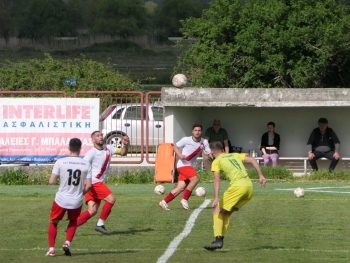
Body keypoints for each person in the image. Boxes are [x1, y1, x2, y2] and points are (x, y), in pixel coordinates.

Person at [204, 141, 266, 251]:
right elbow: (252, 160)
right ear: (223, 150)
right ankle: (219, 240)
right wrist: (261, 176)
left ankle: (218, 239)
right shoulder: (234, 154)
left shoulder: (217, 161)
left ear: (213, 152)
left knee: (217, 211)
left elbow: (216, 179)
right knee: (226, 212)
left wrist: (216, 197)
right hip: (249, 187)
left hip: (237, 187)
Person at [76, 131, 129, 235]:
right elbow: (82, 166)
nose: (100, 137)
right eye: (97, 136)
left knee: (92, 211)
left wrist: (125, 145)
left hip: (93, 183)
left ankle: (71, 227)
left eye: (101, 135)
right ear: (93, 140)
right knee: (111, 199)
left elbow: (123, 152)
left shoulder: (109, 148)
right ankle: (100, 224)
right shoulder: (91, 152)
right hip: (93, 182)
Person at [46, 138, 92, 257]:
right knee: (73, 222)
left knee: (54, 222)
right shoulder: (86, 164)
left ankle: (51, 249)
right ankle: (67, 243)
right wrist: (81, 193)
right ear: (80, 148)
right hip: (76, 200)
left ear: (69, 147)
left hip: (61, 199)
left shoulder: (61, 162)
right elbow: (89, 185)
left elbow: (51, 181)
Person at [159, 123, 212, 210]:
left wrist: (211, 155)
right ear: (192, 131)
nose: (197, 132)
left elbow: (208, 152)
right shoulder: (186, 140)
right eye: (195, 130)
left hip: (189, 166)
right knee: (195, 179)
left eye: (199, 130)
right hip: (182, 165)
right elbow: (174, 146)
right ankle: (185, 199)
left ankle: (164, 202)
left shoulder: (204, 142)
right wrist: (180, 155)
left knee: (180, 188)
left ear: (201, 132)